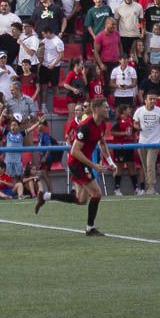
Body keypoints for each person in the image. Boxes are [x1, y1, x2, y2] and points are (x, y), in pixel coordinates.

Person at [34, 98, 113, 236]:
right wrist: (93, 164)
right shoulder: (85, 126)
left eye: (107, 107)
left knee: (81, 200)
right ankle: (90, 229)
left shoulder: (101, 125)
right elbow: (74, 151)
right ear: (96, 109)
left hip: (83, 162)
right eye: (105, 107)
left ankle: (45, 196)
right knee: (97, 193)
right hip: (76, 162)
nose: (108, 109)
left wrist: (111, 162)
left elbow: (102, 143)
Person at [132, 92, 160, 194]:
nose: (153, 101)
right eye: (151, 99)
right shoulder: (139, 111)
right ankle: (149, 185)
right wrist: (137, 127)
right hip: (142, 142)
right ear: (145, 100)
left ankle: (151, 187)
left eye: (154, 99)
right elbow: (135, 122)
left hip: (154, 142)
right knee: (145, 166)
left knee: (150, 164)